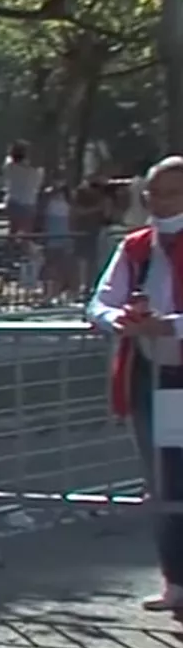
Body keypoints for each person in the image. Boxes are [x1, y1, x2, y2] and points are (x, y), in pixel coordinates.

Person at [92, 155, 183, 613]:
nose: (161, 203)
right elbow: (100, 302)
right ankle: (176, 581)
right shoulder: (136, 247)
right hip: (153, 376)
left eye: (173, 193)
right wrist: (120, 320)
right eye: (154, 194)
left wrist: (173, 326)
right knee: (165, 480)